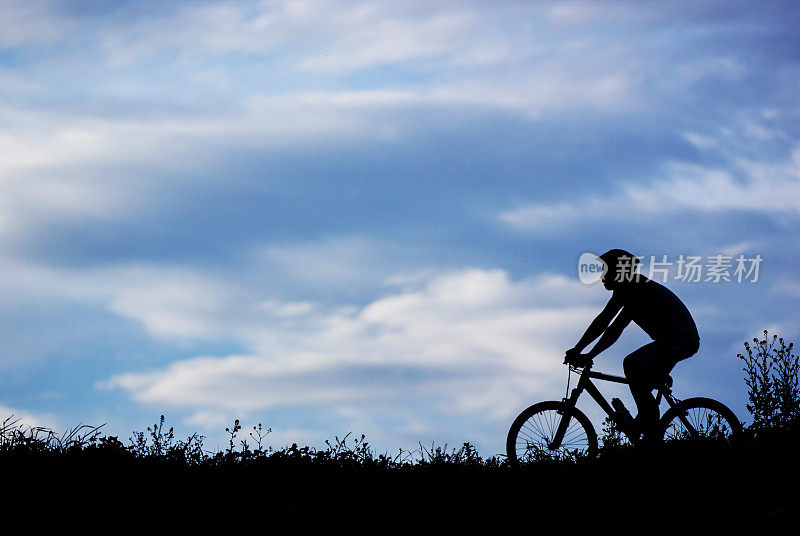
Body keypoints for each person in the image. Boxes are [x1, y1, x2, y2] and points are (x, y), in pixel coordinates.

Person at [565, 249, 700, 440]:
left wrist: (585, 354)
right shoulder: (632, 288)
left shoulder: (634, 289)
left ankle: (649, 431)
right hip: (679, 340)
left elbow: (609, 326)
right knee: (640, 378)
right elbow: (608, 325)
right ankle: (647, 427)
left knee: (631, 364)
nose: (602, 276)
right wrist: (581, 351)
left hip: (678, 340)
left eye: (606, 270)